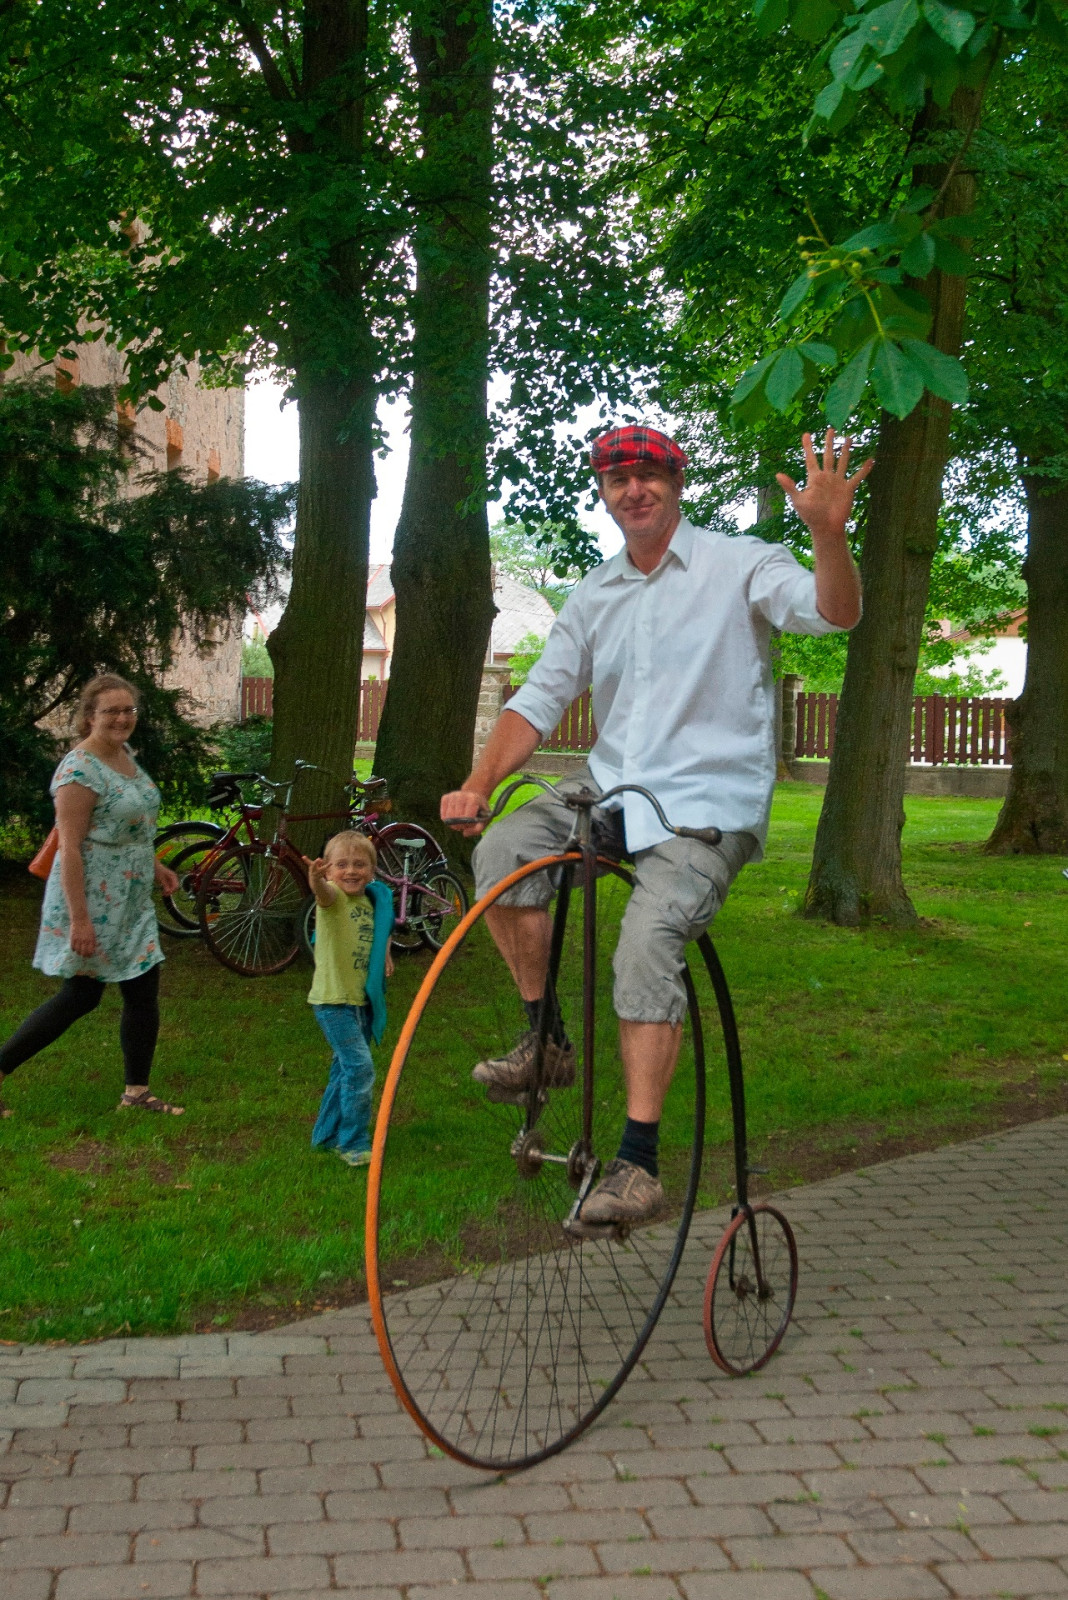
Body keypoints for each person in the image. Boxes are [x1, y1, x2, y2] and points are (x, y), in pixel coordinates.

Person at [441, 425, 871, 1226]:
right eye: (617, 480)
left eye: (647, 475)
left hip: (705, 807)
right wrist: (477, 784)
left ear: (676, 483)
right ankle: (547, 1041)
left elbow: (833, 613)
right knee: (503, 852)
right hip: (612, 792)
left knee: (644, 945)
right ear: (605, 495)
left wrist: (827, 532)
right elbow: (538, 698)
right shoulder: (596, 593)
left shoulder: (740, 565)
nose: (633, 490)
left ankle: (639, 1164)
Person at [0, 674, 184, 1118]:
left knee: (143, 990)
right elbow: (70, 848)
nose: (122, 718)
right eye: (111, 711)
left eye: (128, 710)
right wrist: (80, 920)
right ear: (89, 717)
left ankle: (137, 1093)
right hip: (92, 900)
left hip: (131, 897)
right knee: (81, 996)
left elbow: (130, 825)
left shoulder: (124, 755)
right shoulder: (78, 770)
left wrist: (154, 866)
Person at [303, 831, 395, 1168]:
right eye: (341, 865)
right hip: (333, 1003)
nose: (351, 871)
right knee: (360, 1068)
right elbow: (323, 894)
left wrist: (386, 953)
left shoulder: (372, 903)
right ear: (328, 870)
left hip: (359, 1002)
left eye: (359, 864)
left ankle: (325, 1135)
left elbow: (382, 931)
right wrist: (316, 880)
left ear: (372, 870)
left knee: (343, 1070)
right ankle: (352, 1142)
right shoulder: (334, 900)